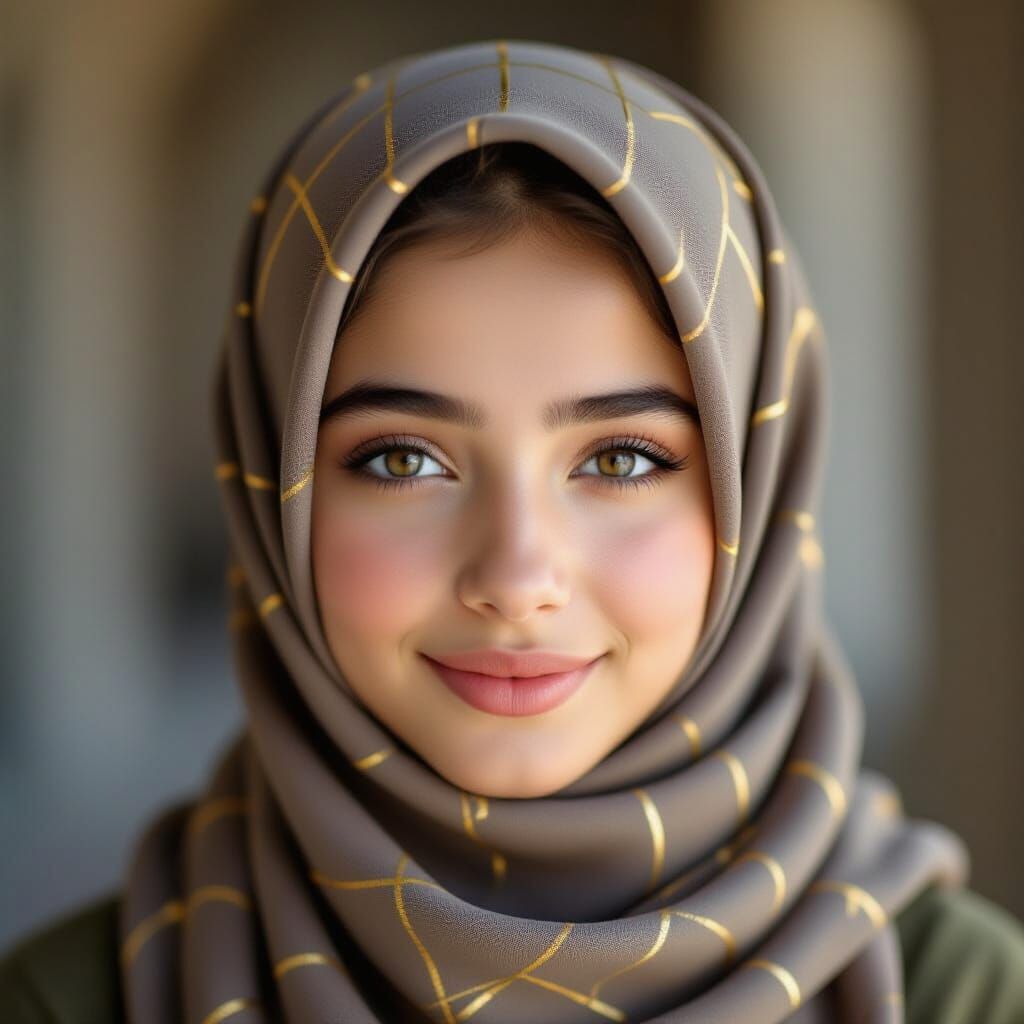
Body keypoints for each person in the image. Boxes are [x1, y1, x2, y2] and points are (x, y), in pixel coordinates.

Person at [2, 38, 1023, 1024]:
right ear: (273, 480)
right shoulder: (85, 997)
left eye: (621, 459)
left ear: (760, 482)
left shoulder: (959, 994)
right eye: (403, 459)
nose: (517, 575)